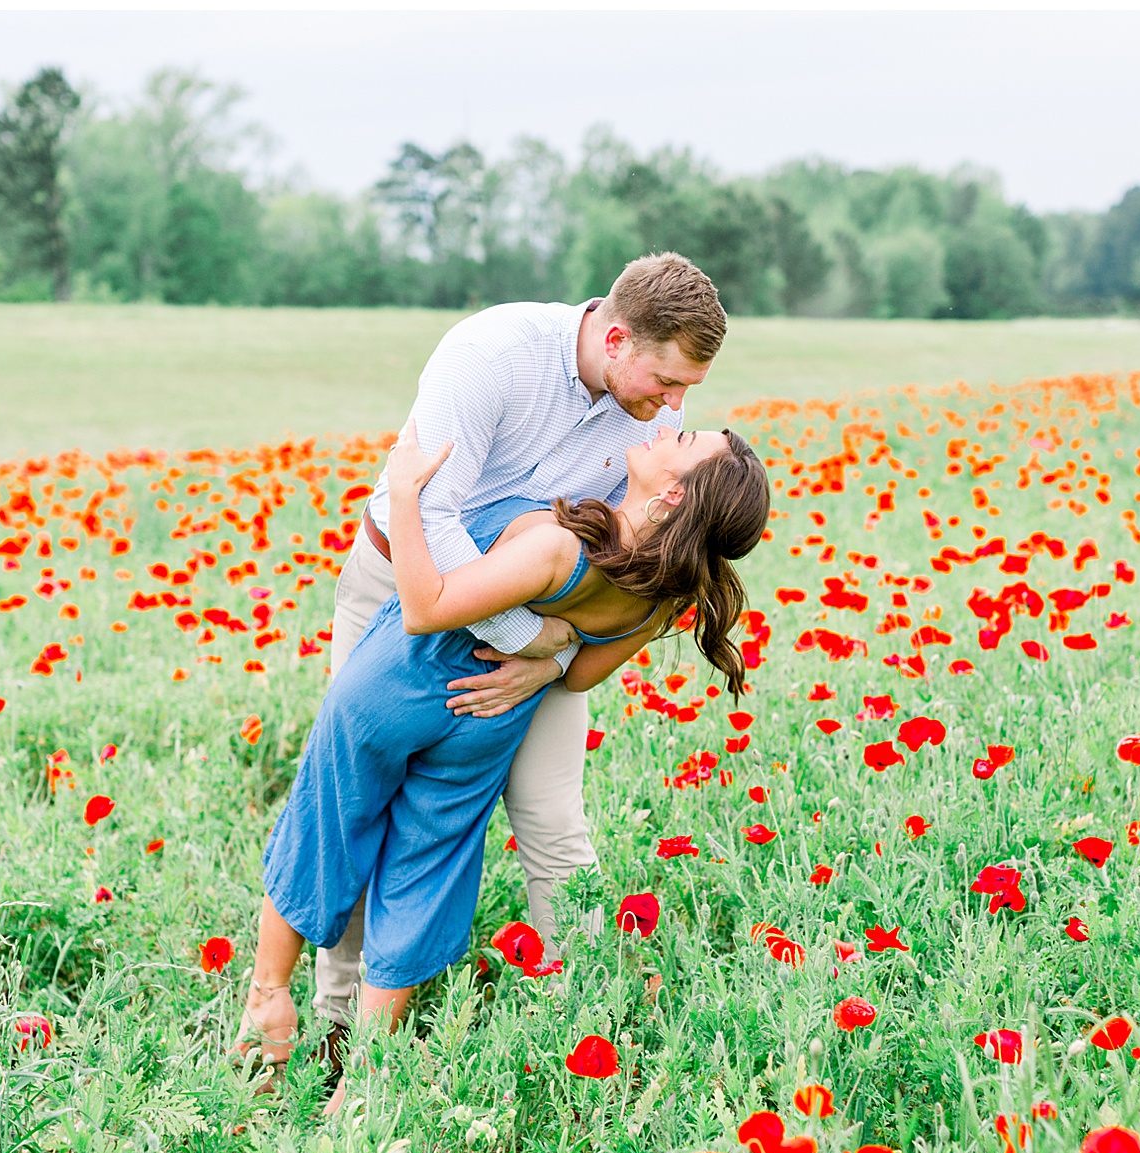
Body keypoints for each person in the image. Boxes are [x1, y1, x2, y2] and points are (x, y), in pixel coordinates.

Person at [283, 253, 731, 1072]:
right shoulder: (495, 352)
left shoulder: (656, 440)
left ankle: (587, 1015)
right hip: (406, 582)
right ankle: (335, 1019)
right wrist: (532, 639)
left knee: (552, 816)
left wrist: (554, 663)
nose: (672, 409)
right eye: (666, 382)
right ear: (619, 336)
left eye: (687, 394)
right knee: (361, 800)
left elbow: (636, 572)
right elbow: (436, 516)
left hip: (557, 626)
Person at [238, 414, 770, 1085]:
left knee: (326, 825)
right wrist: (542, 660)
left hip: (403, 680)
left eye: (684, 443)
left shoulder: (558, 547)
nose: (670, 430)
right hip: (491, 714)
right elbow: (578, 673)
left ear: (672, 497)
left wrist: (405, 495)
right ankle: (364, 1079)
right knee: (425, 869)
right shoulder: (662, 598)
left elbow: (427, 608)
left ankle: (268, 997)